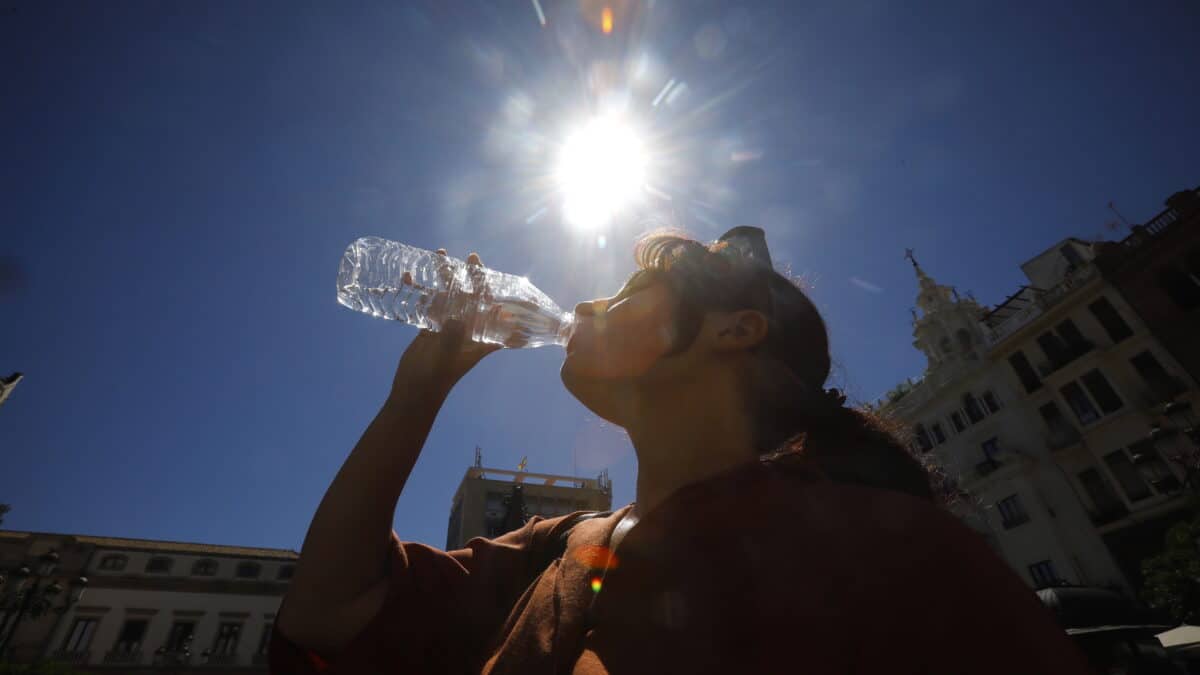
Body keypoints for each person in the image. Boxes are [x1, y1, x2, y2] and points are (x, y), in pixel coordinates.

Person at [271, 227, 1092, 674]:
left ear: (735, 330)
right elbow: (328, 611)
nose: (591, 298)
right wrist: (416, 394)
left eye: (630, 292)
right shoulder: (564, 548)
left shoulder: (895, 551)